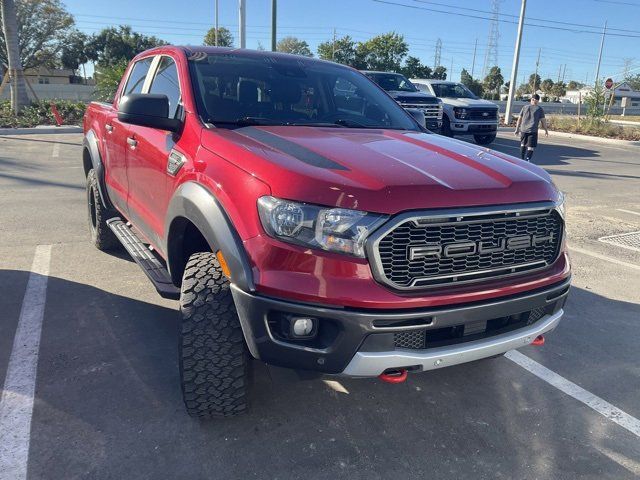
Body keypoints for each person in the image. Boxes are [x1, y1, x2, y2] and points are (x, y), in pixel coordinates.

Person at [514, 94, 549, 161]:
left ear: (532, 100)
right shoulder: (539, 109)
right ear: (538, 101)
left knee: (523, 144)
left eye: (534, 100)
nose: (534, 101)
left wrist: (517, 129)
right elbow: (543, 121)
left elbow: (519, 119)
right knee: (530, 147)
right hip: (533, 131)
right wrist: (546, 130)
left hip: (523, 130)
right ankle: (527, 160)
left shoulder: (524, 107)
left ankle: (522, 159)